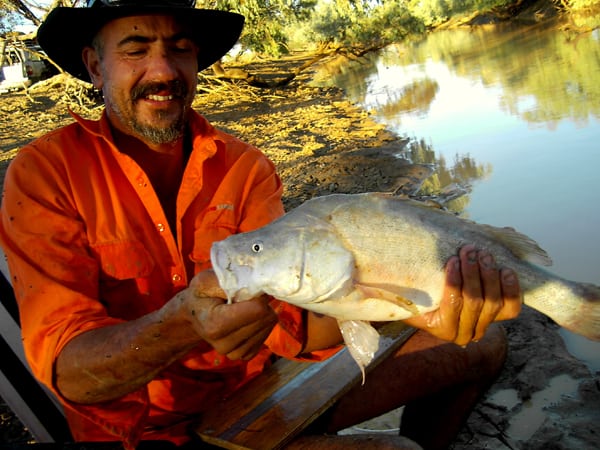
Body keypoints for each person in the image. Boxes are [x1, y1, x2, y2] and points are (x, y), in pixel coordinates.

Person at [0, 1, 522, 449]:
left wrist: (400, 304)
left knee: (482, 343)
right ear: (95, 66)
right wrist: (182, 325)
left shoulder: (244, 167)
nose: (163, 71)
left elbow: (294, 331)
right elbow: (71, 372)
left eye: (179, 48)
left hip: (259, 394)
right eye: (135, 49)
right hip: (143, 433)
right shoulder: (46, 175)